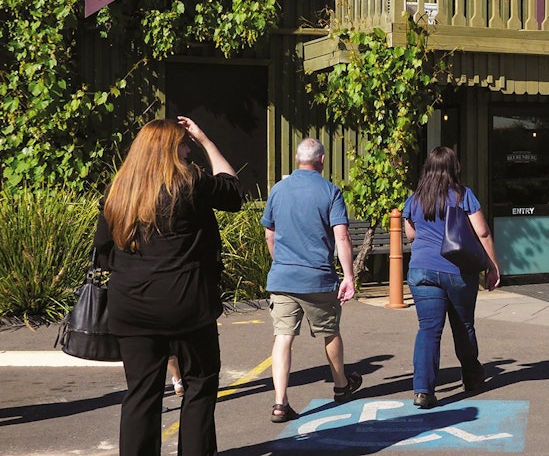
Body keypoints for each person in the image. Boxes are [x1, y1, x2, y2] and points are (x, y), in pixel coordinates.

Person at [94, 117, 243, 455]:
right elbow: (234, 192)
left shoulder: (119, 190)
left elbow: (103, 248)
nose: (188, 151)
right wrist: (205, 140)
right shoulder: (189, 182)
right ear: (170, 150)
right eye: (184, 146)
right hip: (186, 301)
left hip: (131, 303)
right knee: (199, 385)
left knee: (141, 393)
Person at [261, 137, 362, 423]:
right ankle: (341, 385)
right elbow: (342, 236)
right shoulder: (330, 191)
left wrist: (280, 262)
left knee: (283, 337)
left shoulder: (278, 190)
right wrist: (349, 276)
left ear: (297, 159)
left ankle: (280, 402)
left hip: (283, 277)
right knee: (330, 331)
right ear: (322, 160)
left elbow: (269, 234)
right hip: (318, 277)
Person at [401, 146, 500, 409]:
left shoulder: (415, 199)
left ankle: (423, 390)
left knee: (428, 329)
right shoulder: (463, 195)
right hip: (457, 271)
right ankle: (472, 377)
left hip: (422, 271)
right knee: (463, 325)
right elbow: (483, 232)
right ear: (454, 168)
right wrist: (493, 267)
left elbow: (410, 234)